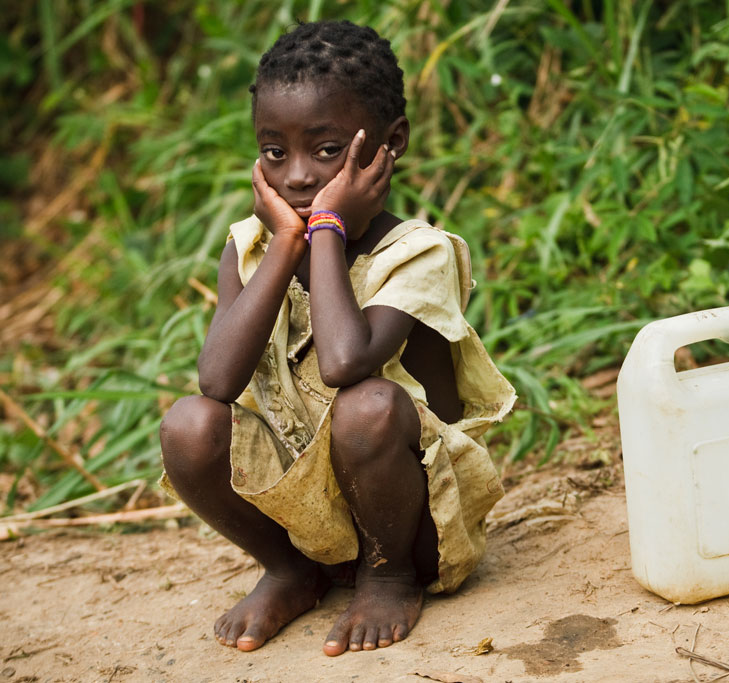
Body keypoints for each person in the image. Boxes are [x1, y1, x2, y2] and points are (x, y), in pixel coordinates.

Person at [158, 20, 515, 657]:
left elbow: (347, 362)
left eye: (325, 151)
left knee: (367, 408)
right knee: (187, 425)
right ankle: (293, 572)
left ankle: (387, 577)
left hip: (417, 524)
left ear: (389, 143)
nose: (297, 176)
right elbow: (216, 381)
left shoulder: (417, 254)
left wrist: (323, 227)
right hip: (312, 516)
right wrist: (285, 246)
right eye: (274, 152)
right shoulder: (251, 251)